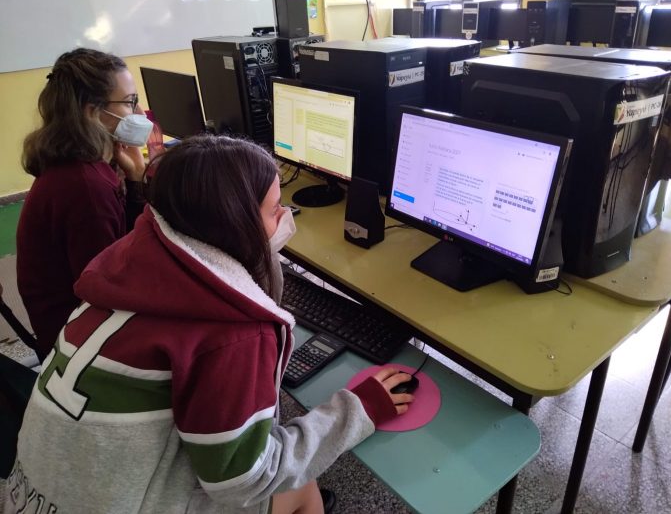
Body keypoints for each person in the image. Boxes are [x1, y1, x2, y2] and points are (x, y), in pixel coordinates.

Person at [6, 135, 415, 514]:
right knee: (300, 489)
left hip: (30, 494)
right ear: (236, 223)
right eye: (275, 209)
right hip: (113, 501)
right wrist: (358, 411)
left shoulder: (129, 262)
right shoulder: (232, 331)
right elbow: (244, 480)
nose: (286, 218)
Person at [16, 48, 151, 361]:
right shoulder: (86, 187)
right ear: (92, 112)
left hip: (73, 323)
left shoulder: (80, 167)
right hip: (79, 344)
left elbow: (121, 246)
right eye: (130, 101)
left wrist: (135, 180)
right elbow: (115, 286)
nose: (140, 113)